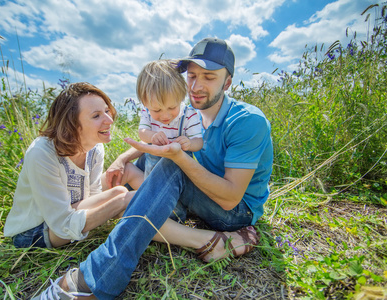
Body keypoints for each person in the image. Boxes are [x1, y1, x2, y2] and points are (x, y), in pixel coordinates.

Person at [32, 37, 273, 300]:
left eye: (209, 77)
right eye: (191, 76)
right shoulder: (189, 110)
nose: (197, 85)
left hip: (234, 210)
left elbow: (230, 199)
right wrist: (122, 159)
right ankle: (91, 211)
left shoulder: (247, 121)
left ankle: (95, 279)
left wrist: (179, 158)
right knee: (137, 169)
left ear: (227, 82)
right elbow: (158, 136)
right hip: (201, 189)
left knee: (170, 163)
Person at [3, 82, 135, 249]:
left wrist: (117, 200)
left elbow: (92, 195)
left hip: (69, 213)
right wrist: (119, 203)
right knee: (124, 197)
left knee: (121, 191)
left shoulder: (95, 147)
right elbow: (61, 223)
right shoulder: (41, 152)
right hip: (34, 231)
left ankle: (172, 217)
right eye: (96, 116)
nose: (109, 120)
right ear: (72, 123)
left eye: (107, 111)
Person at [136, 59, 203, 181]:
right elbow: (142, 132)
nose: (165, 116)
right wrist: (153, 136)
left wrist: (189, 143)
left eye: (172, 107)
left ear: (180, 99)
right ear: (145, 103)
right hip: (153, 164)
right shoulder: (146, 112)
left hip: (179, 167)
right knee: (151, 186)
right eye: (156, 110)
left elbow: (199, 142)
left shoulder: (188, 115)